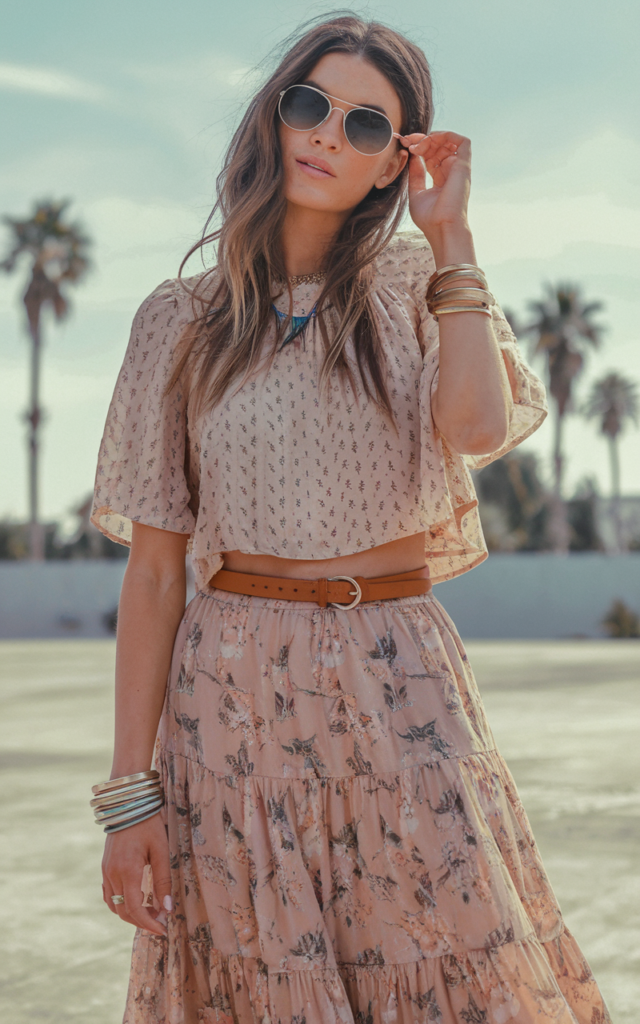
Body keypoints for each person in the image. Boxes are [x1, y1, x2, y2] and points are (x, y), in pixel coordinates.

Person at [90, 14, 612, 1024]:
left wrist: (451, 233)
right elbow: (154, 574)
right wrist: (130, 797)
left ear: (392, 165)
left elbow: (472, 425)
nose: (328, 133)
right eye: (308, 105)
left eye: (368, 125)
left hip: (399, 672)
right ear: (272, 120)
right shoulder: (178, 319)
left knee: (457, 959)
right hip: (230, 698)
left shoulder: (419, 283)